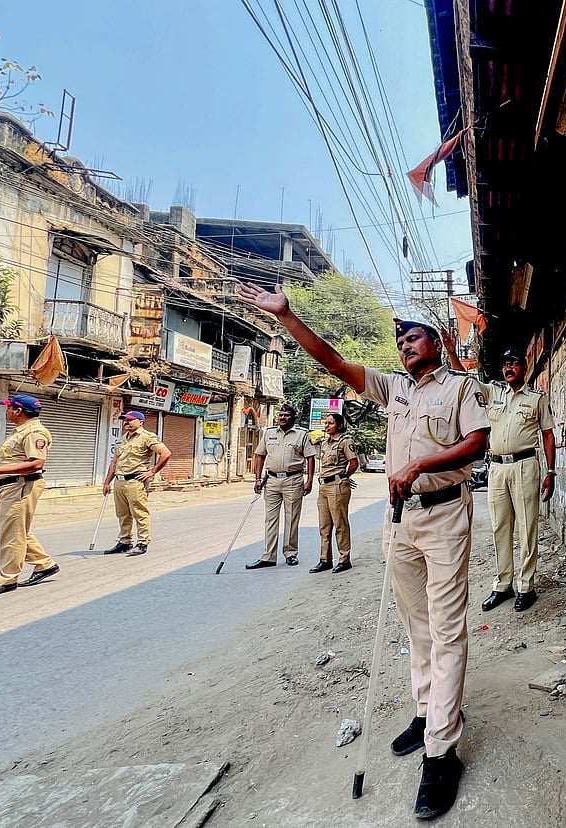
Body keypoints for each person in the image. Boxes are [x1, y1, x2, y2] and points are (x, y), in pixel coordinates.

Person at [237, 282, 488, 821]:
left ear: (438, 343)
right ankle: (426, 713)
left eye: (414, 338)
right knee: (416, 628)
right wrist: (287, 315)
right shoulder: (391, 388)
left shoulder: (462, 390)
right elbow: (331, 359)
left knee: (446, 629)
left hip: (445, 512)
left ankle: (442, 752)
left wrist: (422, 465)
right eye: (400, 342)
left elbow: (478, 442)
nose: (405, 347)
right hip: (401, 523)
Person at [478, 348, 556, 613]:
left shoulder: (536, 399)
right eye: (505, 364)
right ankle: (503, 585)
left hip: (525, 465)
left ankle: (526, 587)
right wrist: (453, 354)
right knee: (500, 527)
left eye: (513, 364)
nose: (508, 368)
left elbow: (548, 435)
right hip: (498, 468)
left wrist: (551, 472)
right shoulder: (494, 393)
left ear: (524, 367)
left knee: (526, 527)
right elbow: (468, 381)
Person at [0, 394, 59, 598]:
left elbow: (36, 463)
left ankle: (8, 578)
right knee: (13, 529)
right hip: (8, 486)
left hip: (20, 486)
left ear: (18, 411)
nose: (6, 411)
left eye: (8, 408)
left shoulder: (35, 432)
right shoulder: (22, 430)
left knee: (12, 532)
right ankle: (44, 564)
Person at [246, 403, 315, 569]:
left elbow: (310, 458)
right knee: (270, 519)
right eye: (281, 415)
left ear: (293, 418)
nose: (283, 418)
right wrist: (257, 479)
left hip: (293, 480)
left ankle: (290, 553)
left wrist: (309, 480)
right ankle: (268, 556)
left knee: (291, 518)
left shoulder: (302, 434)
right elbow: (260, 455)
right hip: (271, 481)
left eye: (287, 415)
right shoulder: (269, 433)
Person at [101, 411, 171, 557]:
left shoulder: (147, 437)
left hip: (136, 481)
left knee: (139, 512)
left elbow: (165, 453)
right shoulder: (122, 439)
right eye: (124, 420)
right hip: (119, 481)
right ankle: (125, 542)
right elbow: (115, 462)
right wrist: (107, 482)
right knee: (122, 514)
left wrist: (152, 472)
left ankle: (142, 542)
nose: (126, 422)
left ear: (140, 422)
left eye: (130, 420)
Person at [311, 411, 360, 574]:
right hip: (323, 486)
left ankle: (344, 559)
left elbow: (353, 462)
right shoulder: (324, 443)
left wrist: (344, 477)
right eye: (326, 423)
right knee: (324, 525)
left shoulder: (345, 441)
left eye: (330, 423)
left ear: (339, 425)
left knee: (340, 523)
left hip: (337, 485)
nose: (327, 426)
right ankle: (325, 559)